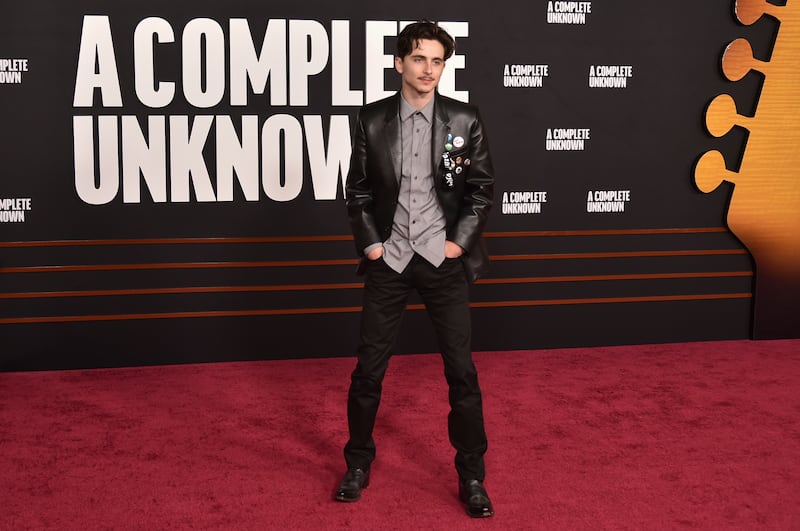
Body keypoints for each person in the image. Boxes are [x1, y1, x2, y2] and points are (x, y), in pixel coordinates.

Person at [334, 21, 495, 518]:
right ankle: (357, 462)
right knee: (368, 373)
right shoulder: (372, 119)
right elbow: (358, 190)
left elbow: (480, 190)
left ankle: (472, 476)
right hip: (391, 260)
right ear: (400, 63)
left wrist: (455, 245)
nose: (429, 69)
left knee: (462, 374)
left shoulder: (465, 121)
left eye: (438, 61)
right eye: (420, 59)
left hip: (442, 261)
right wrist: (372, 246)